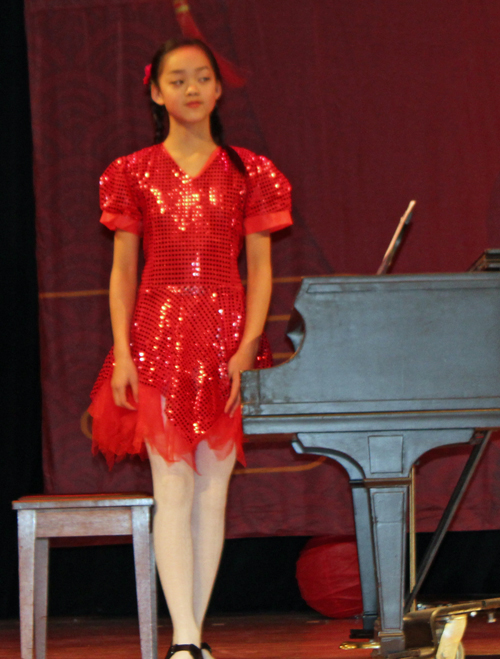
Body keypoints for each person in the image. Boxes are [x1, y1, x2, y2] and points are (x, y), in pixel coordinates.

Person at [89, 37, 292, 659]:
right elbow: (123, 273)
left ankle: (193, 635)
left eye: (202, 77)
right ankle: (184, 641)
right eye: (177, 80)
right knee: (172, 486)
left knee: (213, 491)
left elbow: (261, 269)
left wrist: (249, 341)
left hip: (228, 340)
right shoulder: (130, 172)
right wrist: (123, 352)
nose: (192, 89)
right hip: (156, 337)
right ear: (155, 91)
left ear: (218, 89)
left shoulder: (251, 171)